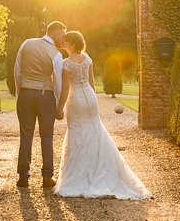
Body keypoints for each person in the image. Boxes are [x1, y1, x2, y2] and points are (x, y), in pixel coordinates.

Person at [53, 31, 152, 199]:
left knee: (77, 134)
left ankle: (80, 175)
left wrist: (59, 108)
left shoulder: (66, 63)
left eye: (66, 41)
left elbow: (64, 88)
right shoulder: (88, 59)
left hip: (75, 100)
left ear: (73, 44)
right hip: (90, 99)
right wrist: (92, 100)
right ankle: (100, 169)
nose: (63, 42)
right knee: (95, 132)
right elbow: (91, 83)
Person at [14, 20, 67, 188]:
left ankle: (23, 176)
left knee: (26, 135)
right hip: (45, 97)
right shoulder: (56, 54)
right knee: (46, 136)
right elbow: (58, 82)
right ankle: (47, 177)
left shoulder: (26, 44)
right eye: (63, 37)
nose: (63, 41)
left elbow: (17, 71)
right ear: (55, 35)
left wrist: (21, 91)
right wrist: (59, 106)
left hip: (26, 93)